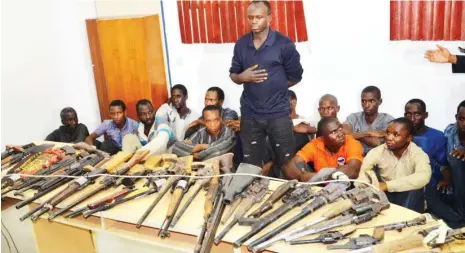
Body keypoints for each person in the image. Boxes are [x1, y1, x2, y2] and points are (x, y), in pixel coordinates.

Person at [229, 0, 303, 172]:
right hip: (250, 115)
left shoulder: (284, 44)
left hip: (278, 114)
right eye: (250, 17)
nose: (254, 21)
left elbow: (295, 76)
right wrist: (242, 77)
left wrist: (275, 85)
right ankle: (252, 196)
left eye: (259, 17)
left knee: (287, 163)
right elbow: (233, 74)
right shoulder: (241, 45)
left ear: (269, 17)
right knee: (251, 164)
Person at [405, 99, 464, 228]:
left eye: (417, 114)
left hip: (431, 184)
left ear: (425, 115)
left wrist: (446, 179)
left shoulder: (436, 136)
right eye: (408, 114)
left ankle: (458, 220)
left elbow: (444, 164)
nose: (412, 118)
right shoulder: (401, 134)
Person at [356, 118, 432, 213]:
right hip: (386, 194)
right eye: (388, 133)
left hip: (409, 194)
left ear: (409, 138)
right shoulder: (377, 152)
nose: (389, 138)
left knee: (416, 188)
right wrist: (365, 185)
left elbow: (423, 176)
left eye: (395, 135)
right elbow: (363, 174)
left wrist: (387, 185)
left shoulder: (418, 154)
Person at [282, 117, 363, 181]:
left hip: (344, 186)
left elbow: (353, 171)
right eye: (334, 132)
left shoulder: (351, 142)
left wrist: (313, 177)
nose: (341, 133)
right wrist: (302, 176)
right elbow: (289, 168)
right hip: (320, 185)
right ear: (323, 138)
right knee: (294, 166)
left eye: (340, 128)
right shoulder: (316, 144)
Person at [343, 86, 394, 155]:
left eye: (371, 101)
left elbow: (377, 143)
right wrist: (368, 133)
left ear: (380, 101)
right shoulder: (354, 118)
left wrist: (355, 136)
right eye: (363, 101)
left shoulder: (387, 120)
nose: (366, 105)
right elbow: (343, 135)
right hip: (356, 158)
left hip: (380, 160)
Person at [444, 100, 465, 219]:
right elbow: (442, 158)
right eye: (461, 119)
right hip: (456, 178)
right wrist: (445, 176)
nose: (464, 123)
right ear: (456, 117)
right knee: (455, 159)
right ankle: (460, 215)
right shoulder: (449, 132)